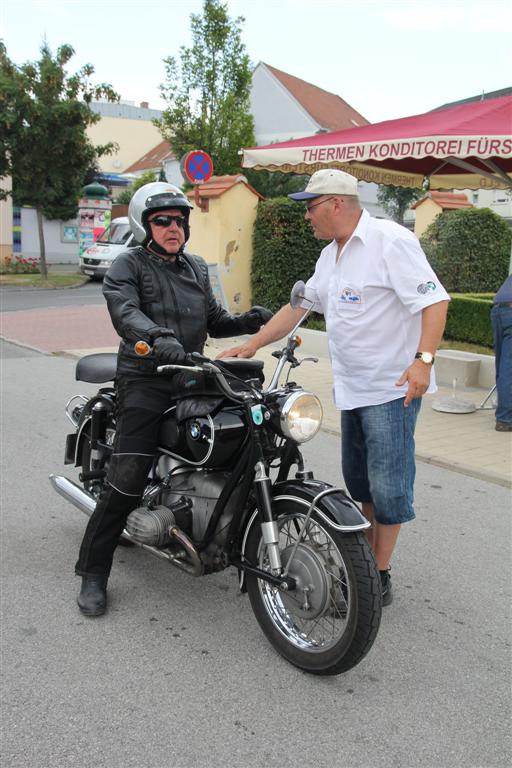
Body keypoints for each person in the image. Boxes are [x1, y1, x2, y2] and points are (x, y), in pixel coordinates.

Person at [219, 169, 450, 606]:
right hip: (353, 390)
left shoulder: (390, 241)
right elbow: (299, 308)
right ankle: (366, 562)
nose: (307, 216)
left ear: (337, 203)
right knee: (361, 485)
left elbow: (434, 300)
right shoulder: (331, 255)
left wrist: (423, 361)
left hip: (391, 390)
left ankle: (377, 577)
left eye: (311, 207)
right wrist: (251, 343)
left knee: (388, 488)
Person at [76, 182, 273, 616]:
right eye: (162, 220)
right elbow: (125, 312)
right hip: (145, 377)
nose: (173, 227)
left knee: (243, 430)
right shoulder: (127, 265)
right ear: (144, 224)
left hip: (190, 374)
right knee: (127, 476)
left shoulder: (197, 268)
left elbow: (215, 321)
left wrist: (250, 319)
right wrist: (156, 337)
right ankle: (93, 571)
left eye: (180, 220)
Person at [491, 274, 512, 431]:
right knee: (509, 368)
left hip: (498, 309)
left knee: (503, 364)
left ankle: (504, 414)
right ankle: (505, 419)